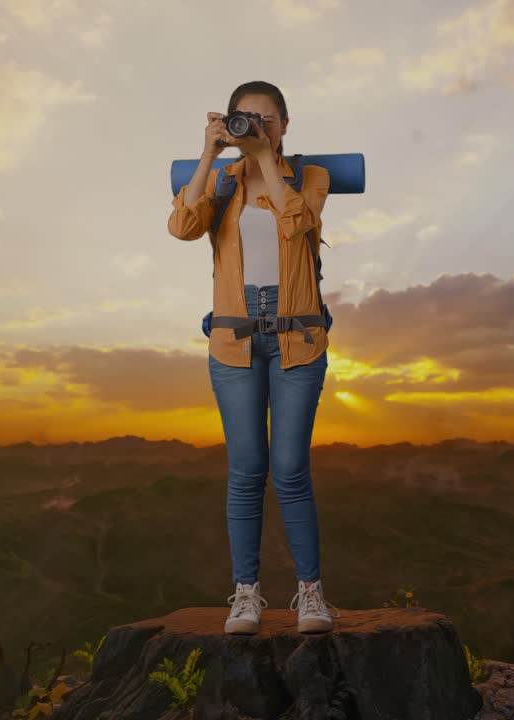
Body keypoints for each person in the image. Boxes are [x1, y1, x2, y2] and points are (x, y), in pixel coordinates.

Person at [166, 80, 338, 635]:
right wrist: (209, 153)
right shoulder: (221, 182)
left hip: (298, 340)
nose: (256, 127)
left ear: (284, 124)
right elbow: (182, 227)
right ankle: (245, 594)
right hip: (234, 341)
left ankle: (310, 594)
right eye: (244, 119)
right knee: (245, 473)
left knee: (289, 469)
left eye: (265, 119)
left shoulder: (309, 178)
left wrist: (268, 160)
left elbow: (298, 227)